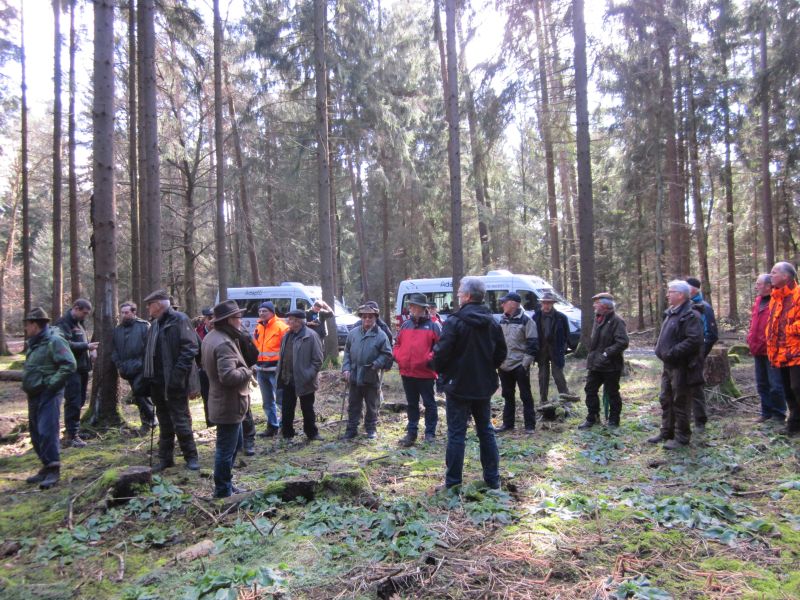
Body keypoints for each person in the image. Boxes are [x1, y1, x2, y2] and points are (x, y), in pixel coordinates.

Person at [433, 277, 507, 490]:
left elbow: (441, 353)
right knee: (486, 430)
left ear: (467, 296)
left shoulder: (455, 322)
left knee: (457, 434)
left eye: (459, 293)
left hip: (459, 386)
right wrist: (486, 369)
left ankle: (453, 483)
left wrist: (443, 371)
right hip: (483, 386)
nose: (457, 296)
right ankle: (493, 480)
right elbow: (501, 353)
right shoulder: (492, 321)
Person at [142, 290, 200, 471]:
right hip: (157, 382)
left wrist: (177, 375)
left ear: (158, 304)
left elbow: (190, 348)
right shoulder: (154, 325)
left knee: (180, 420)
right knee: (164, 421)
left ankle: (191, 457)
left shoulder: (179, 320)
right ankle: (166, 459)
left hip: (174, 381)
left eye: (150, 305)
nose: (148, 309)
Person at [202, 300, 253, 498]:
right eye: (238, 317)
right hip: (228, 404)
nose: (241, 321)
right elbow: (228, 376)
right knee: (225, 450)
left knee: (235, 446)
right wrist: (247, 371)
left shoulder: (214, 336)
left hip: (229, 403)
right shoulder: (223, 343)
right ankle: (222, 490)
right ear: (229, 320)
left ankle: (227, 485)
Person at [22, 307, 77, 489]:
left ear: (35, 325)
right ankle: (46, 466)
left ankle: (54, 469)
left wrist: (51, 384)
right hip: (34, 393)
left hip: (49, 393)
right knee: (36, 432)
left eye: (27, 324)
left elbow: (69, 364)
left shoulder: (54, 340)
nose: (25, 328)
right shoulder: (35, 342)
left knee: (47, 431)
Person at [649, 280, 704, 449]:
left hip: (682, 366)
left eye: (670, 292)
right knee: (666, 399)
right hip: (669, 365)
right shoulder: (672, 313)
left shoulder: (690, 315)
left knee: (680, 401)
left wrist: (672, 352)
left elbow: (694, 340)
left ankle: (682, 437)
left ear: (680, 295)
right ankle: (667, 431)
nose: (667, 295)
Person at [394, 293, 441, 446]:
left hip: (425, 373)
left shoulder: (434, 325)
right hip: (407, 372)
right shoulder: (405, 325)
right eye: (411, 305)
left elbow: (441, 347)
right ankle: (411, 433)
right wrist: (399, 357)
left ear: (423, 308)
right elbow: (397, 344)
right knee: (411, 403)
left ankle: (430, 434)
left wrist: (429, 359)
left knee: (429, 403)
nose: (411, 308)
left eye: (414, 305)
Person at [342, 304, 393, 440]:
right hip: (353, 375)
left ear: (375, 318)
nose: (367, 319)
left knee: (371, 405)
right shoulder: (353, 333)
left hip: (371, 375)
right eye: (364, 317)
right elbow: (347, 352)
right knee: (353, 404)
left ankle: (371, 429)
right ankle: (351, 430)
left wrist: (377, 364)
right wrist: (346, 368)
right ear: (361, 318)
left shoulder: (381, 335)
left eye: (370, 317)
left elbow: (387, 354)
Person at [579, 293, 629, 429]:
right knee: (590, 389)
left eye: (597, 303)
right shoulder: (597, 318)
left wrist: (606, 353)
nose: (594, 305)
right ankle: (592, 418)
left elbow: (623, 342)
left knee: (612, 392)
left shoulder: (617, 321)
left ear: (605, 305)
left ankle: (614, 420)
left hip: (611, 366)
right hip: (595, 364)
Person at [54, 298, 99, 448]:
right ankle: (70, 436)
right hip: (70, 369)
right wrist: (86, 346)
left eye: (87, 314)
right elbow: (64, 344)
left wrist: (90, 352)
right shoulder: (63, 323)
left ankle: (74, 431)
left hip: (82, 368)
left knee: (79, 401)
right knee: (73, 401)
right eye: (84, 313)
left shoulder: (79, 323)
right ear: (76, 308)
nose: (85, 316)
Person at [276, 310, 324, 441]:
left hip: (305, 380)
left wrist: (307, 375)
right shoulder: (287, 336)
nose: (288, 321)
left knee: (307, 409)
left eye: (290, 319)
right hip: (287, 379)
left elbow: (318, 360)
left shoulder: (311, 336)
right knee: (286, 409)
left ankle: (312, 433)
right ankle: (287, 434)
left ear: (298, 321)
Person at [495, 292, 538, 433]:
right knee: (507, 395)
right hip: (504, 365)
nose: (502, 305)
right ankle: (508, 424)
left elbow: (533, 345)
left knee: (525, 395)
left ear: (513, 303)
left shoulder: (527, 321)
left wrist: (524, 365)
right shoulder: (502, 320)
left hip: (520, 365)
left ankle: (530, 426)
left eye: (504, 302)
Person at [766, 261, 800, 436]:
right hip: (780, 352)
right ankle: (793, 425)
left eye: (774, 272)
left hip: (797, 352)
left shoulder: (798, 294)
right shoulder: (775, 297)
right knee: (787, 390)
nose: (770, 275)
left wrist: (788, 330)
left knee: (797, 387)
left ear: (786, 276)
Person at [111, 301, 155, 434]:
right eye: (122, 312)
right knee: (139, 395)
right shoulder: (117, 330)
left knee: (140, 393)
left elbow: (150, 347)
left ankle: (150, 421)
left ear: (134, 312)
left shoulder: (144, 326)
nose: (124, 315)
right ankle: (148, 422)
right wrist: (119, 363)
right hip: (126, 369)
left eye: (127, 312)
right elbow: (114, 349)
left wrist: (144, 364)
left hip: (141, 368)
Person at [748, 274, 787, 424]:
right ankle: (766, 413)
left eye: (759, 284)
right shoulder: (758, 301)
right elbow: (754, 323)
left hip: (773, 350)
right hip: (758, 349)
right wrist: (750, 339)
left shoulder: (778, 301)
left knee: (775, 385)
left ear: (768, 286)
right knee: (762, 383)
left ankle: (779, 414)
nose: (756, 286)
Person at [686, 277, 719, 433]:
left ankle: (700, 421)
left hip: (696, 357)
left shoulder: (704, 307)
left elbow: (711, 335)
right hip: (682, 356)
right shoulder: (684, 307)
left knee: (696, 387)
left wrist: (700, 355)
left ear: (694, 289)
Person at [252, 301, 289, 437]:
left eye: (265, 311)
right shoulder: (259, 327)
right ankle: (272, 426)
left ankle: (285, 426)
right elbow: (255, 346)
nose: (261, 313)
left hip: (276, 370)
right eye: (260, 311)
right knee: (267, 401)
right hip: (261, 370)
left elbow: (287, 350)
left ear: (272, 312)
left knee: (280, 400)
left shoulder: (282, 328)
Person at [533, 292, 571, 404]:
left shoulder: (561, 317)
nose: (546, 305)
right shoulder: (536, 317)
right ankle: (543, 400)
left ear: (553, 303)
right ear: (541, 303)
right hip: (541, 351)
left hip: (556, 350)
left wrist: (564, 348)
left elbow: (567, 335)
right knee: (543, 376)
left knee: (558, 374)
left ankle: (565, 399)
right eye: (544, 303)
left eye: (549, 303)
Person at [195, 308, 214, 427]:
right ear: (205, 320)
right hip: (203, 371)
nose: (212, 321)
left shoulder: (221, 331)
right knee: (206, 397)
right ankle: (210, 423)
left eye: (214, 318)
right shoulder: (198, 332)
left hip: (218, 370)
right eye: (210, 318)